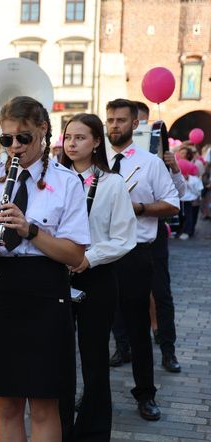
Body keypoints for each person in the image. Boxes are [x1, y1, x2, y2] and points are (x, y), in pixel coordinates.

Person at [0, 96, 89, 441]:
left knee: (45, 405)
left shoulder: (66, 181)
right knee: (6, 405)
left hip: (45, 293)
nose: (14, 147)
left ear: (43, 131)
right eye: (6, 139)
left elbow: (75, 255)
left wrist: (30, 230)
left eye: (23, 138)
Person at [58, 113, 136, 441]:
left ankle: (94, 431)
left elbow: (124, 237)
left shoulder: (112, 183)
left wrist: (88, 258)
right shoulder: (54, 180)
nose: (72, 143)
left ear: (96, 143)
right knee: (58, 359)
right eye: (68, 137)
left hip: (96, 277)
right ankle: (59, 428)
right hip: (57, 278)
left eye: (80, 137)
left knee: (94, 359)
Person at [105, 98, 179, 421]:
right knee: (97, 330)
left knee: (138, 328)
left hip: (136, 252)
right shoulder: (97, 160)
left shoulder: (150, 163)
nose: (114, 126)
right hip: (100, 253)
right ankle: (93, 395)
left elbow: (173, 204)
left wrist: (142, 208)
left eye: (121, 120)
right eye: (110, 120)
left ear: (135, 124)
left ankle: (145, 394)